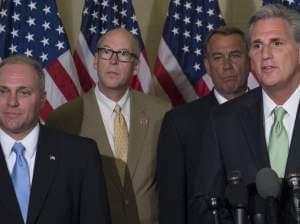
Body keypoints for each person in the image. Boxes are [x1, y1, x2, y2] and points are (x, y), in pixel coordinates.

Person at [46, 28, 171, 224]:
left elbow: (172, 181)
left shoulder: (161, 113)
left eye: (123, 54)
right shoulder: (64, 119)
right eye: (106, 52)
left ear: (136, 66)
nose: (113, 60)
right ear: (95, 61)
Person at [193, 4, 300, 223]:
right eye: (257, 46)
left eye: (276, 43)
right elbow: (205, 203)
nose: (266, 55)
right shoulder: (224, 120)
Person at [0, 55, 110, 224]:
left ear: (42, 99)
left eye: (24, 92)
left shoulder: (80, 155)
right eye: (3, 91)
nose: (12, 102)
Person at [157, 25, 250, 224]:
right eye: (218, 57)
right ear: (207, 65)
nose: (227, 66)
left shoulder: (271, 112)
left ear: (249, 60)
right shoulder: (179, 123)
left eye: (235, 55)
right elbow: (171, 204)